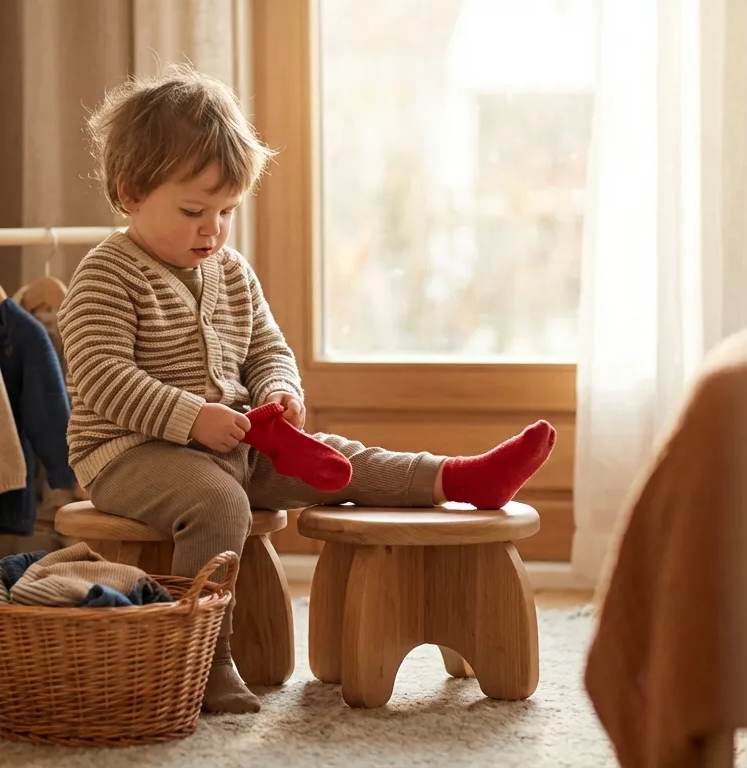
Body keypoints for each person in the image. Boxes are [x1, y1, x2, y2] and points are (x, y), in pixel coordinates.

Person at [58, 65, 557, 714]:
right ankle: (201, 660)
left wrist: (279, 390)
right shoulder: (106, 275)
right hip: (128, 454)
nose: (212, 230)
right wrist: (191, 419)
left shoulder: (230, 271)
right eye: (193, 211)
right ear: (129, 193)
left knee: (336, 460)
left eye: (226, 212)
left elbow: (267, 346)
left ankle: (457, 480)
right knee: (217, 505)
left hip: (232, 439)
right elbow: (102, 379)